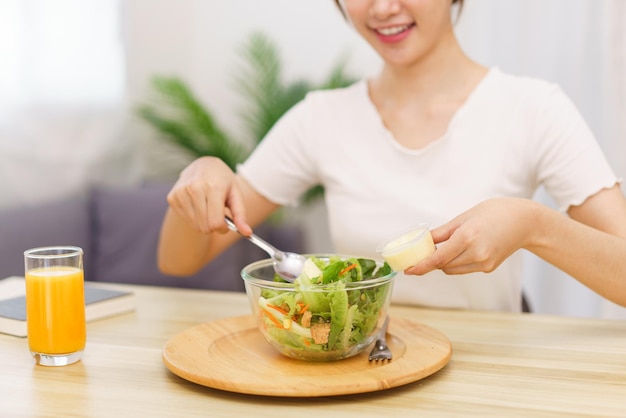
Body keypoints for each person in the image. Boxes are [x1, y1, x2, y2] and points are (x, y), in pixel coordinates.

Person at [157, 0, 626, 312]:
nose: (382, 8)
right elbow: (179, 260)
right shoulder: (321, 118)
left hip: (485, 381)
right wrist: (200, 178)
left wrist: (533, 225)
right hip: (363, 373)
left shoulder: (534, 109)